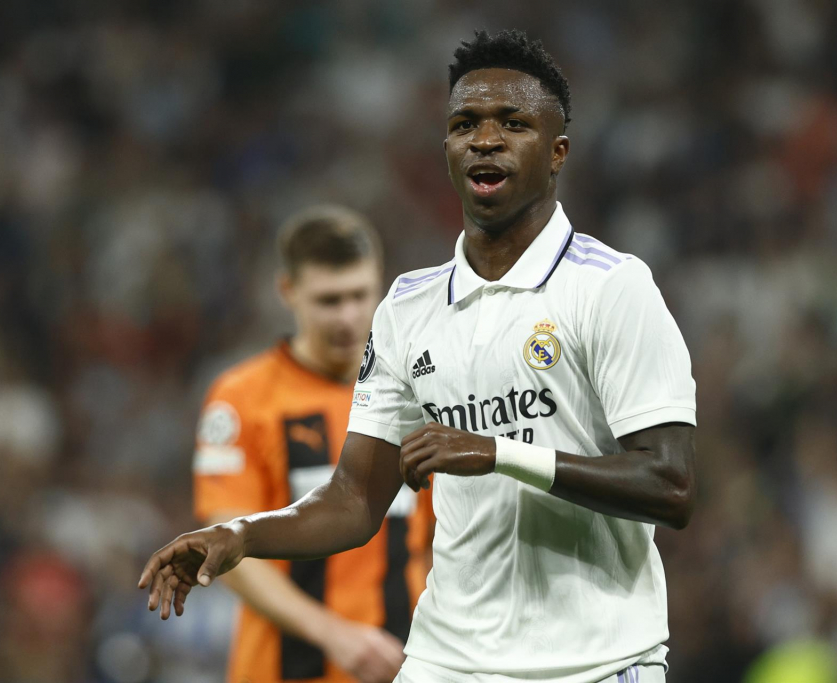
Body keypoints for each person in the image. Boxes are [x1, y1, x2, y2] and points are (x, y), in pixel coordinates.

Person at [141, 29, 697, 683]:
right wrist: (240, 536)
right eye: (465, 124)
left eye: (513, 123)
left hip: (595, 663)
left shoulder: (610, 287)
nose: (485, 139)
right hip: (447, 661)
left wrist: (498, 453)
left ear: (558, 152)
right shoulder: (408, 308)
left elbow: (671, 484)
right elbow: (354, 498)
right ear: (447, 150)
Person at [190, 205, 435, 683]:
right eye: (328, 300)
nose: (347, 317)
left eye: (360, 295)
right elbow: (227, 549)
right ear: (288, 290)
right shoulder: (240, 399)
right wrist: (333, 634)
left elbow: (440, 541)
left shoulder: (419, 393)